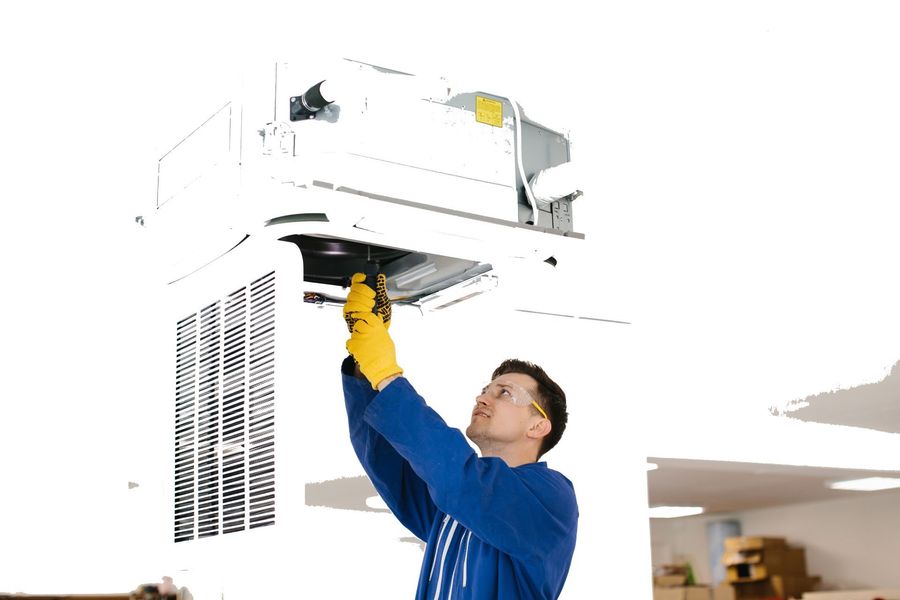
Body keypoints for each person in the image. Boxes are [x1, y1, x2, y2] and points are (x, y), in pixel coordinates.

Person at [341, 273, 578, 599]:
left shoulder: (552, 500)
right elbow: (386, 460)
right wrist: (364, 361)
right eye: (485, 390)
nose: (483, 398)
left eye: (504, 393)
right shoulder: (454, 505)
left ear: (537, 426)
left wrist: (386, 373)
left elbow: (459, 478)